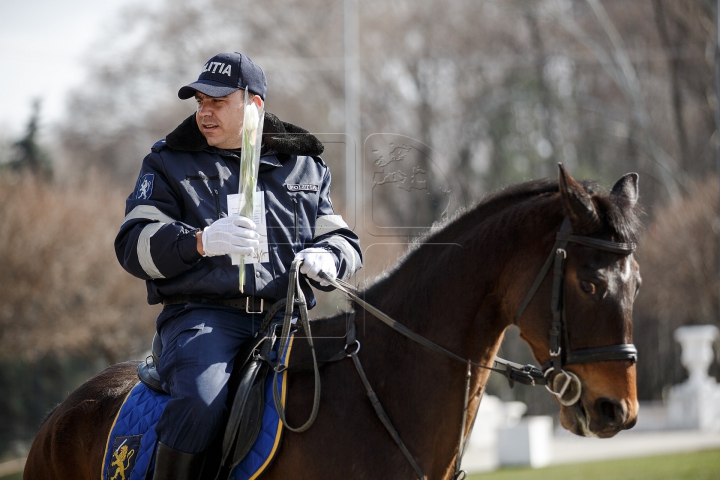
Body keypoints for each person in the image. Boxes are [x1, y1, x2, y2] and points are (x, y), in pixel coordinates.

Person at [114, 52, 362, 479]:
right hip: (204, 318)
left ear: (255, 105)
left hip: (288, 319)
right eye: (199, 103)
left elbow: (345, 241)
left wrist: (330, 258)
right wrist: (199, 242)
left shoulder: (304, 163)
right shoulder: (167, 162)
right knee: (200, 399)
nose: (204, 113)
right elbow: (131, 244)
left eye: (218, 102)